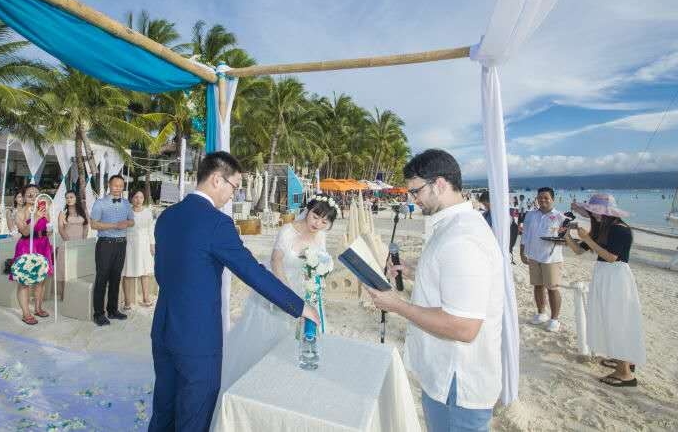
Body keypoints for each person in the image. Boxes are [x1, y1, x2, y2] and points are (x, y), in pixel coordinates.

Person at [150, 151, 320, 432]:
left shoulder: (167, 216)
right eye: (235, 186)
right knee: (194, 414)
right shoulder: (216, 223)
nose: (234, 194)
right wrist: (299, 306)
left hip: (164, 327)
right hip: (197, 338)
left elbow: (162, 273)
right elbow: (252, 272)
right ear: (217, 179)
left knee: (164, 409)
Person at [365, 149, 503, 431]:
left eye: (416, 191)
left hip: (456, 383)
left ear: (439, 184)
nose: (413, 200)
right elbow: (450, 277)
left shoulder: (462, 238)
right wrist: (414, 270)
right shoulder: (454, 227)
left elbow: (464, 327)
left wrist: (397, 305)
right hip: (446, 378)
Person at [221, 194, 336, 390]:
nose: (318, 224)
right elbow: (276, 261)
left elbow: (320, 262)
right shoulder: (288, 230)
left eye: (324, 221)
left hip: (307, 291)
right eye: (315, 217)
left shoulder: (321, 235)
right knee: (269, 340)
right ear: (308, 210)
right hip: (280, 288)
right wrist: (289, 297)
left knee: (303, 340)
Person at [564, 194, 645, 387]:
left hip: (616, 276)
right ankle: (622, 358)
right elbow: (578, 250)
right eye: (593, 212)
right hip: (605, 276)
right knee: (610, 318)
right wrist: (567, 236)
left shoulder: (620, 230)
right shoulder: (603, 229)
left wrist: (587, 239)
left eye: (597, 212)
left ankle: (625, 372)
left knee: (618, 320)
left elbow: (611, 257)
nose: (594, 215)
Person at [90, 175, 134, 326]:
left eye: (121, 186)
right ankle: (98, 313)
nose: (118, 188)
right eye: (115, 185)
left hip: (121, 244)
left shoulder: (127, 204)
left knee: (116, 278)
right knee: (102, 279)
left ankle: (113, 310)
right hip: (105, 244)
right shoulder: (100, 203)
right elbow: (94, 225)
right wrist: (114, 225)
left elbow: (132, 221)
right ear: (109, 185)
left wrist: (126, 223)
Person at [520, 187, 566, 332]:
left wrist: (562, 237)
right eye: (540, 197)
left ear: (552, 199)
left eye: (546, 197)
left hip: (551, 258)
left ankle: (555, 319)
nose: (542, 200)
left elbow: (565, 238)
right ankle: (541, 313)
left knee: (552, 288)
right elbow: (525, 234)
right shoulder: (531, 215)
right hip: (534, 256)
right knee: (537, 286)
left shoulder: (560, 217)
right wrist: (522, 251)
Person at [12, 184, 54, 325]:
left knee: (41, 279)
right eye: (29, 194)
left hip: (43, 244)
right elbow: (24, 232)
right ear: (23, 197)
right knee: (24, 282)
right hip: (27, 246)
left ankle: (38, 308)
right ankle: (26, 313)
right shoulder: (20, 212)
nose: (33, 196)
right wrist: (35, 217)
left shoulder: (43, 209)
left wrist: (49, 229)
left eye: (36, 194)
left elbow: (48, 226)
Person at [122, 190, 155, 309]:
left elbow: (151, 229)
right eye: (136, 197)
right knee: (127, 272)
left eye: (141, 197)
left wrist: (152, 245)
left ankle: (146, 298)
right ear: (131, 198)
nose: (139, 200)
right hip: (129, 245)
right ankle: (127, 302)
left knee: (145, 272)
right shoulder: (126, 212)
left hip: (145, 245)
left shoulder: (148, 212)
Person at [57, 190, 89, 301]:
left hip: (79, 244)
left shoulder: (83, 211)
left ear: (76, 198)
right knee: (65, 271)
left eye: (71, 197)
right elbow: (60, 229)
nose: (69, 199)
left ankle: (76, 295)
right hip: (67, 244)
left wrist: (83, 241)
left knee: (77, 271)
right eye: (67, 197)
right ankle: (64, 297)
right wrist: (68, 242)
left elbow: (86, 226)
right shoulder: (63, 212)